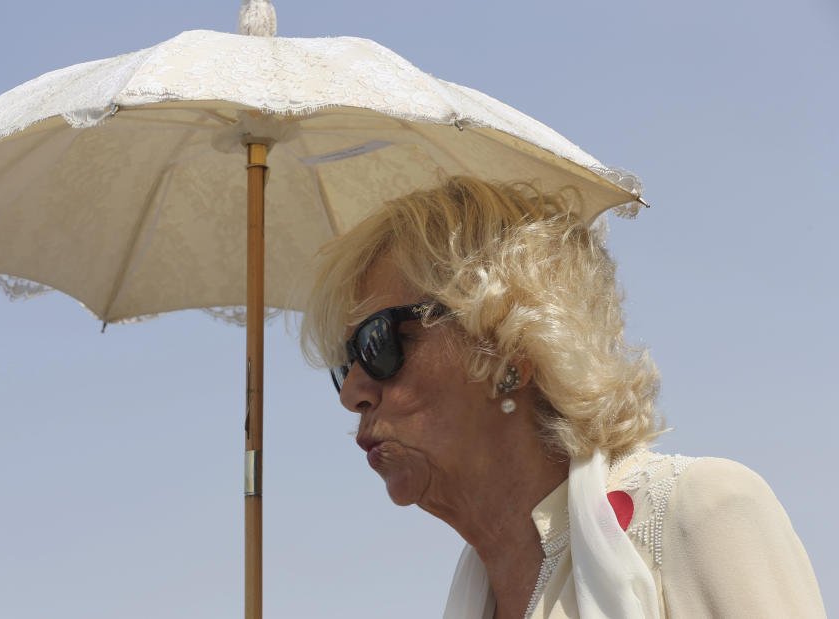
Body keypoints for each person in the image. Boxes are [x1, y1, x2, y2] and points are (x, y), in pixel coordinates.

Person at [299, 177, 826, 619]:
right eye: (344, 365)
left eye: (379, 342)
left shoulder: (697, 512)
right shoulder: (476, 594)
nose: (352, 393)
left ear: (508, 345)